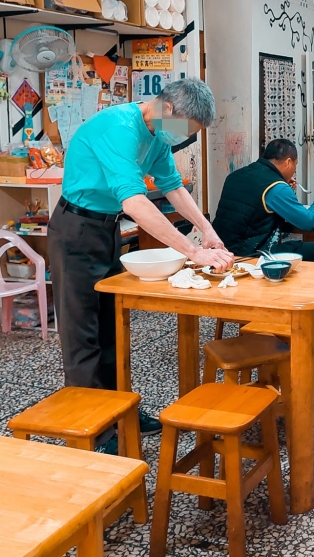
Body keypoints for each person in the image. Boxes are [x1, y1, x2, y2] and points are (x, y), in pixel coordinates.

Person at [50, 78, 234, 452]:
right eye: (187, 130)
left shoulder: (158, 136)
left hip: (105, 229)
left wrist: (207, 230)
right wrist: (193, 252)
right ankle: (94, 431)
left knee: (111, 330)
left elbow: (173, 188)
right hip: (75, 229)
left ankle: (120, 414)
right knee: (82, 336)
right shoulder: (117, 127)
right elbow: (134, 202)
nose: (184, 138)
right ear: (167, 109)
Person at [212, 138, 314, 262]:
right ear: (288, 162)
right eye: (295, 165)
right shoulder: (277, 187)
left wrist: (283, 185)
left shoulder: (235, 175)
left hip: (221, 247)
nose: (295, 171)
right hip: (249, 253)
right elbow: (308, 222)